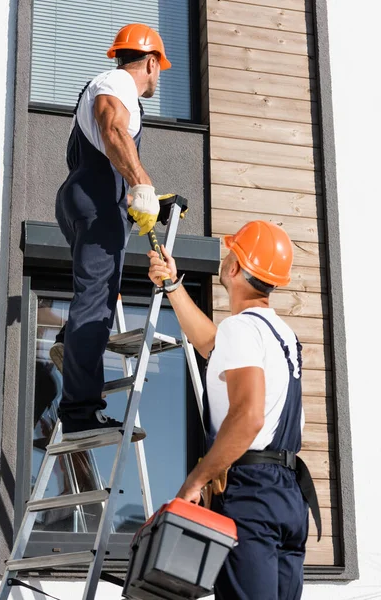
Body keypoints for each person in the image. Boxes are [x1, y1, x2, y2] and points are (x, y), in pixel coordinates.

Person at [147, 220, 321, 600]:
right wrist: (173, 286)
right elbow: (214, 346)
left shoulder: (240, 329)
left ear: (236, 268)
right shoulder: (279, 334)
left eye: (230, 253)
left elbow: (248, 417)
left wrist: (195, 480)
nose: (224, 259)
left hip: (251, 495)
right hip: (288, 497)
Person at [50, 23, 171, 442]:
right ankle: (80, 412)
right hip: (96, 204)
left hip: (83, 200)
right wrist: (140, 183)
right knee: (96, 301)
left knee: (95, 293)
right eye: (160, 70)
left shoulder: (103, 83)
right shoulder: (118, 82)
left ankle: (70, 343)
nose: (158, 79)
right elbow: (113, 128)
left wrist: (137, 192)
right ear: (151, 63)